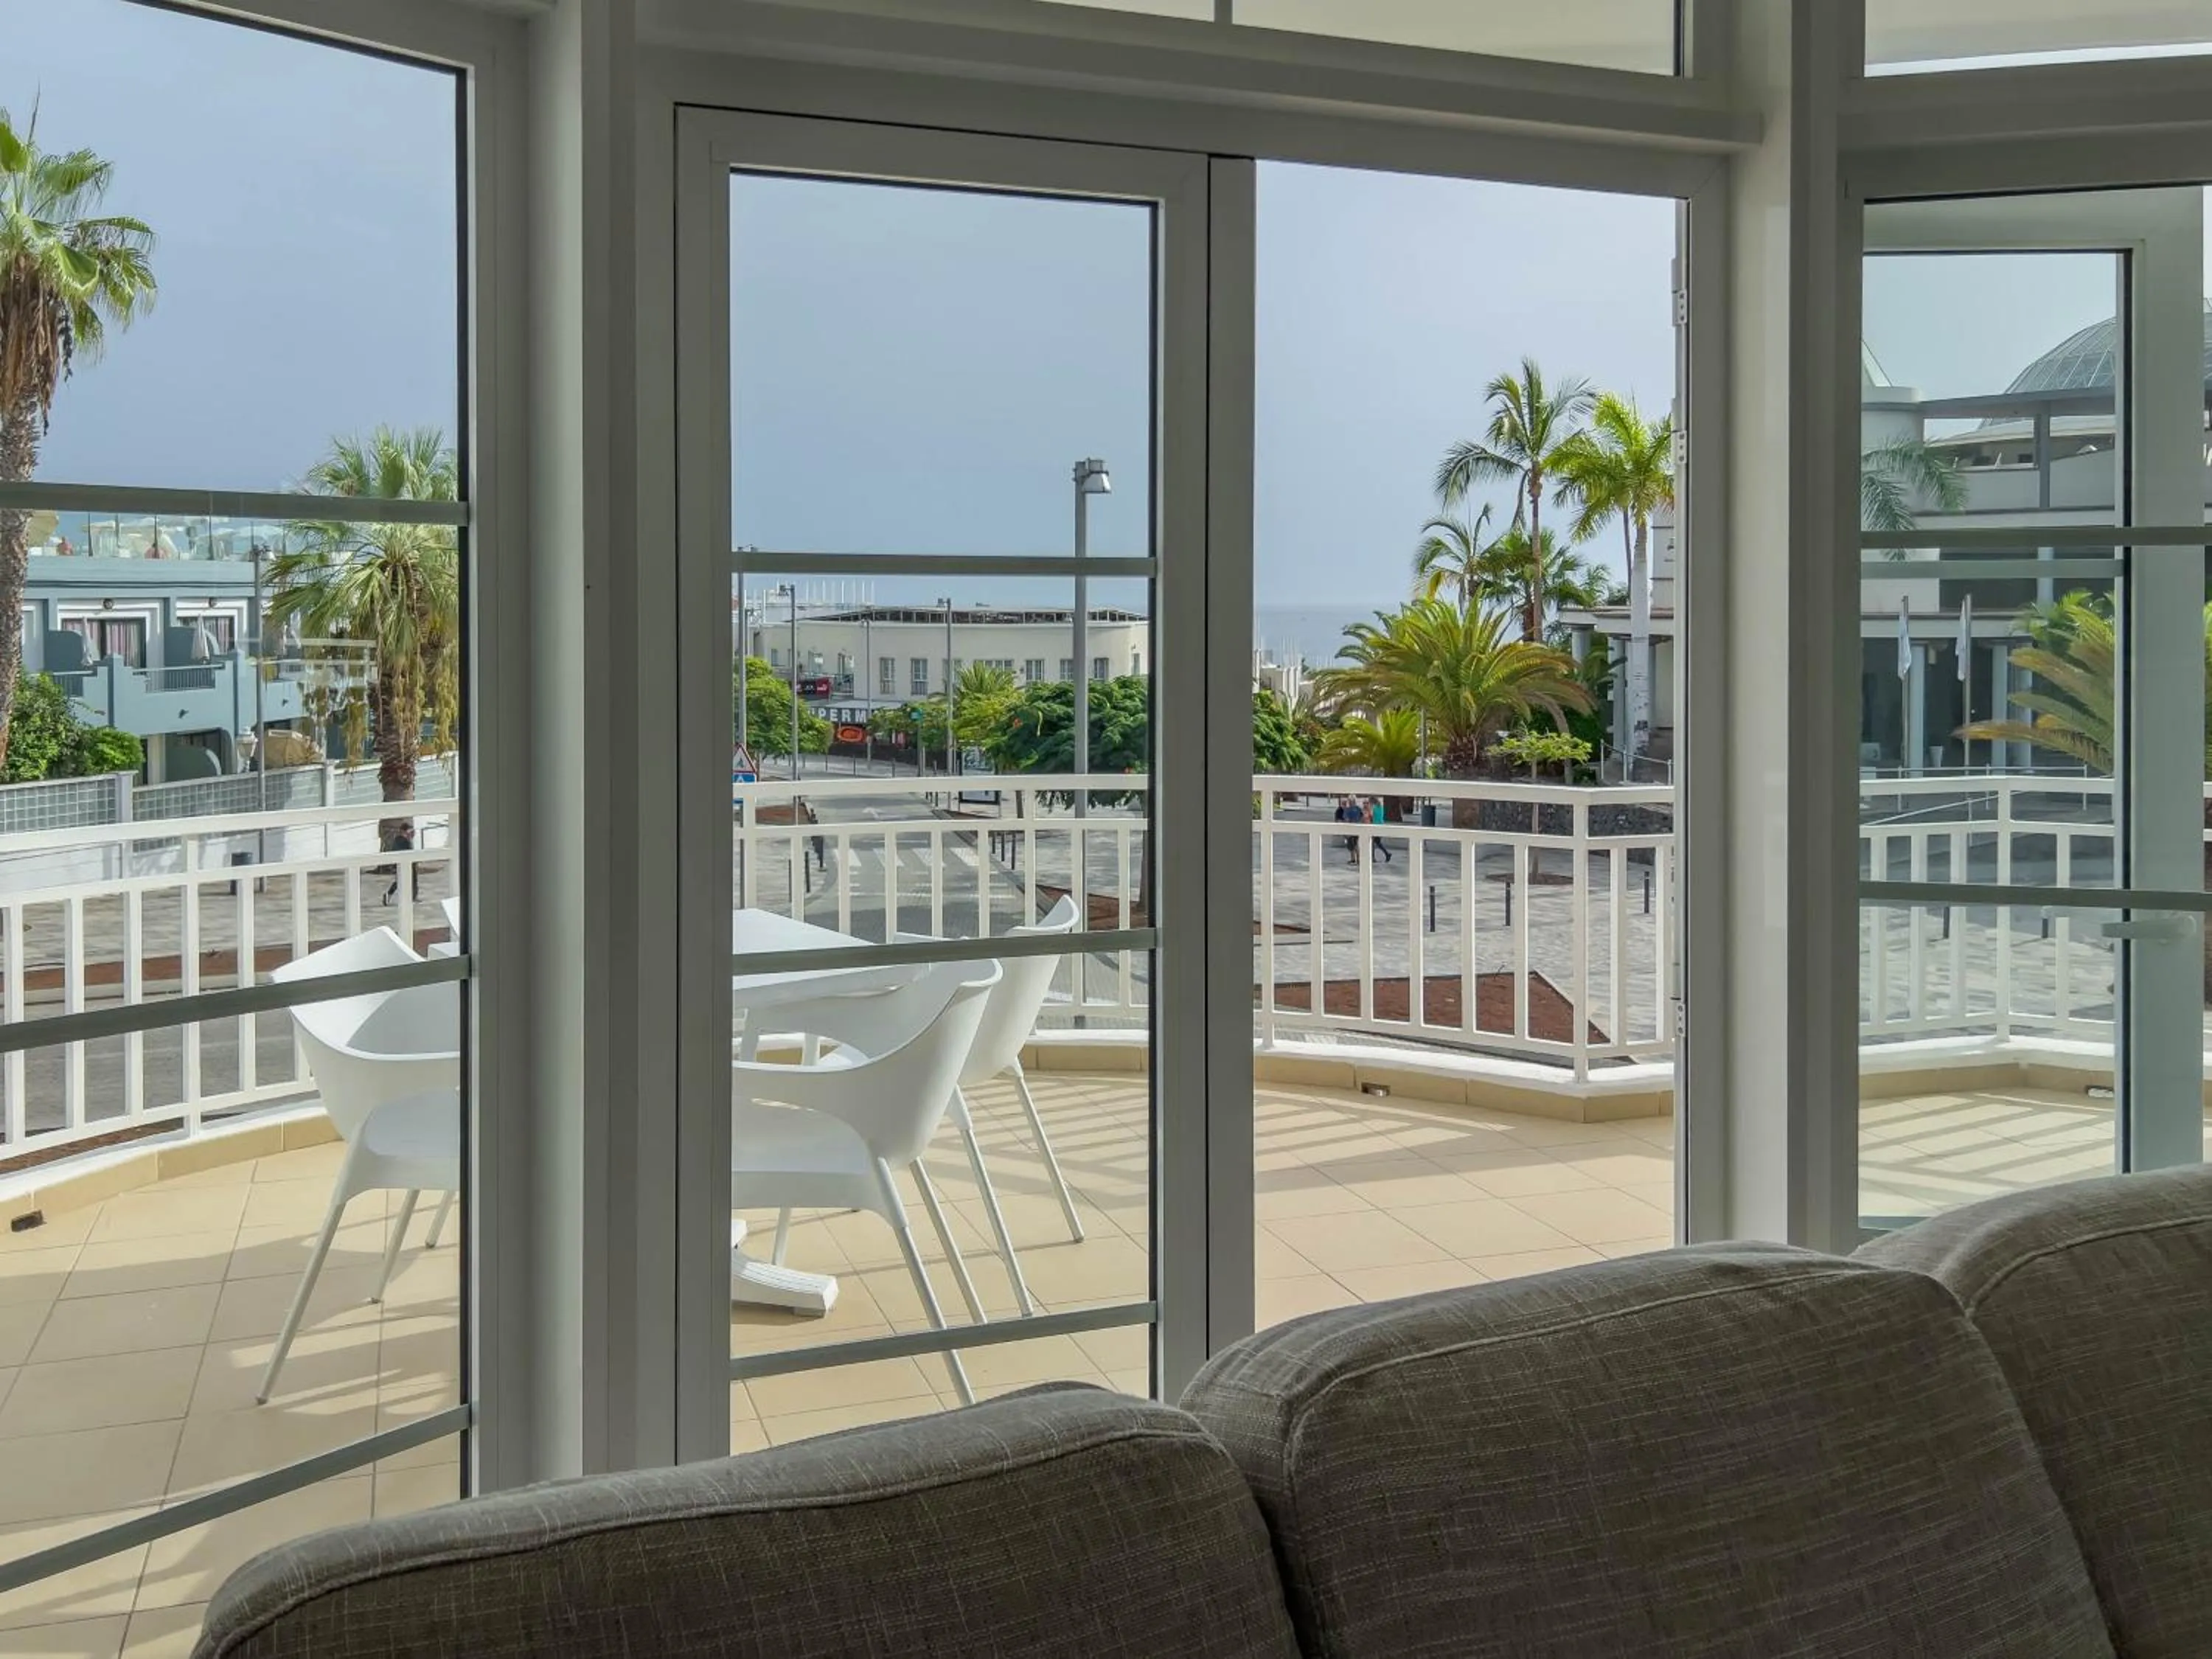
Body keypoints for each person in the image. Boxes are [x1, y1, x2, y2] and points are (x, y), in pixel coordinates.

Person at [1335, 796, 1360, 864]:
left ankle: (1357, 859)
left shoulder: (1350, 810)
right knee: (1352, 844)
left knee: (1354, 845)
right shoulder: (1356, 809)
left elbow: (1346, 819)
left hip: (1352, 829)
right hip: (1353, 829)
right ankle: (1354, 859)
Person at [1369, 796, 1393, 863]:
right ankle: (1387, 854)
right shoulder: (1380, 807)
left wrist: (1370, 808)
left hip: (1376, 826)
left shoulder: (1375, 808)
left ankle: (1373, 858)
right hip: (1380, 825)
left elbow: (1372, 816)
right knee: (1377, 843)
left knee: (1373, 843)